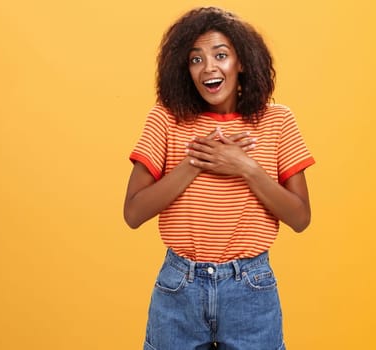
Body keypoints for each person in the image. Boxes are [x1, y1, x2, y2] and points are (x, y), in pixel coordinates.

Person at [123, 6, 315, 350]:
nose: (208, 68)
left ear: (241, 62)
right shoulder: (166, 119)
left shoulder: (277, 121)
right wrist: (196, 160)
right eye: (195, 59)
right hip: (179, 287)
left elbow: (300, 218)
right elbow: (133, 213)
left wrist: (245, 166)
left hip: (251, 288)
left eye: (220, 55)